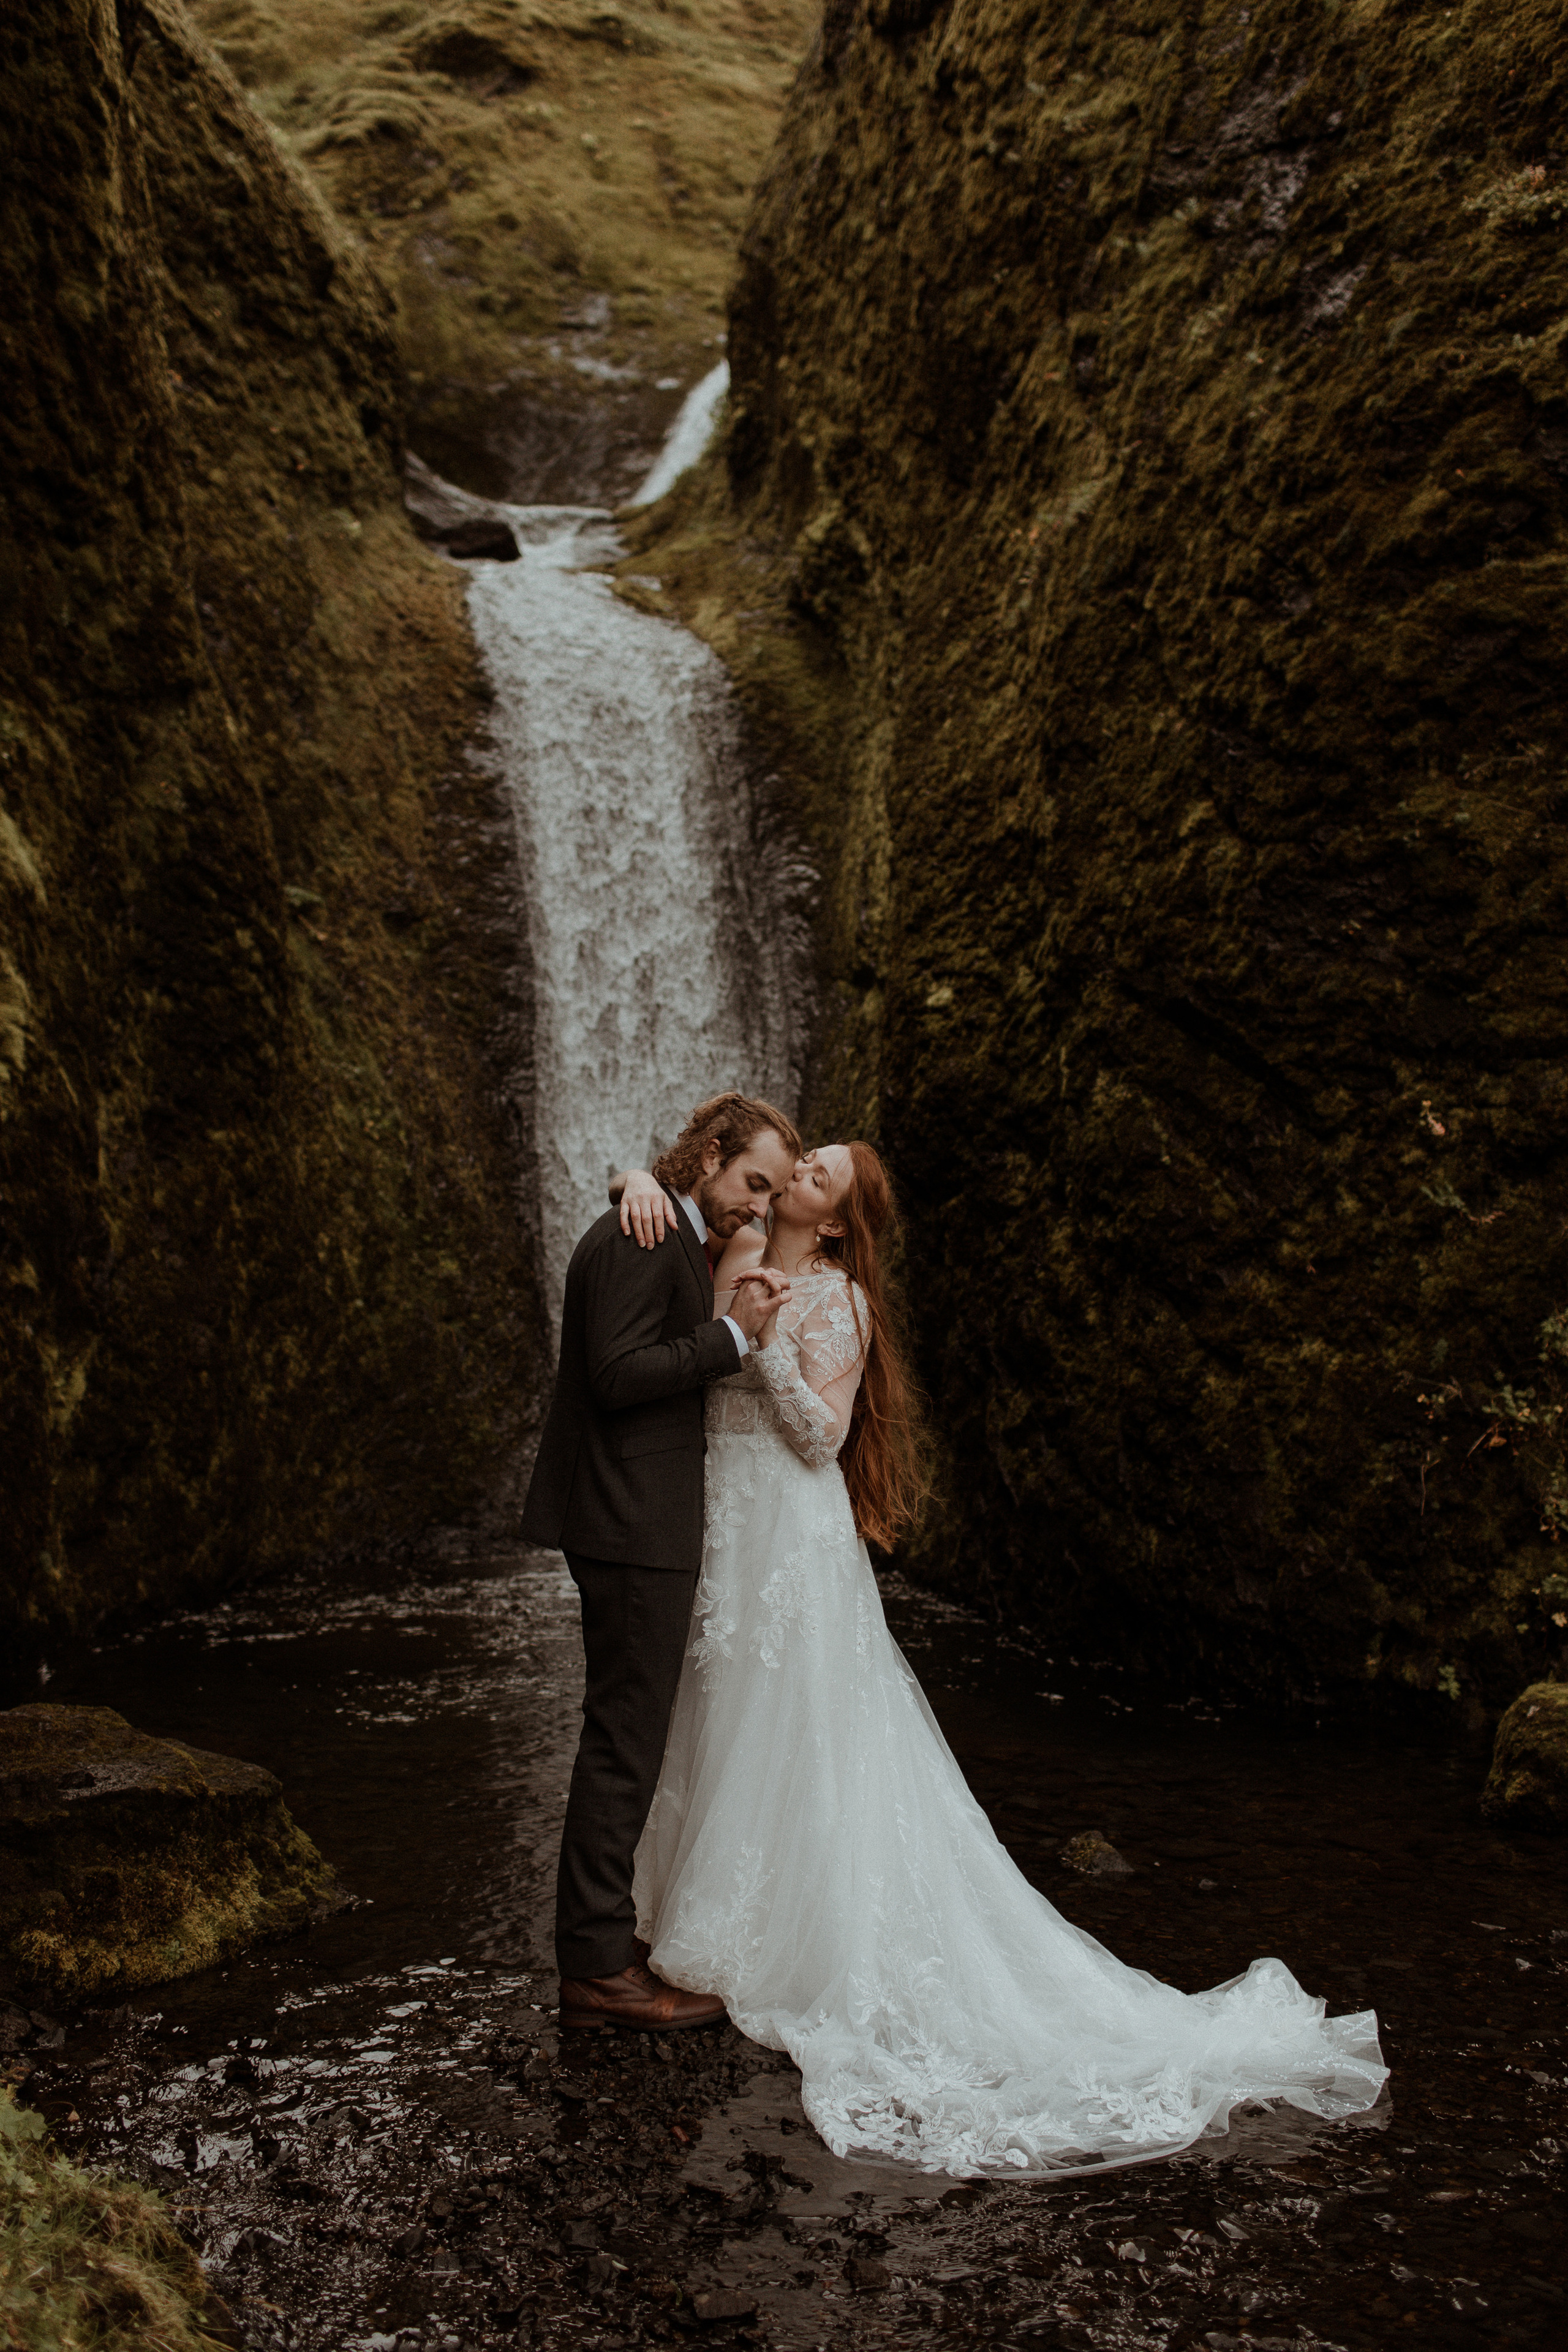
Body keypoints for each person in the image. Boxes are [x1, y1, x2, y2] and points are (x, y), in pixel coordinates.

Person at [608, 1142, 1389, 2176]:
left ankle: (782, 1941)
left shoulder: (841, 1303)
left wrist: (758, 1346)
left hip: (793, 1536)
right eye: (800, 1165)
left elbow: (819, 1440)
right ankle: (677, 1915)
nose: (797, 1175)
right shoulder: (734, 1245)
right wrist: (629, 1180)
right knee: (720, 1703)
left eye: (820, 1177)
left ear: (836, 1222)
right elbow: (665, 1185)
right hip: (725, 1527)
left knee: (790, 1724)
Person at [521, 1091, 801, 2033]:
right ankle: (597, 1968)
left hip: (633, 1518)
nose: (757, 1210)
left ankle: (601, 1942)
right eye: (752, 1185)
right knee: (623, 1742)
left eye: (769, 1198)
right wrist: (729, 1341)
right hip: (631, 1522)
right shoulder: (644, 1235)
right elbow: (616, 1373)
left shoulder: (659, 1219)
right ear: (711, 1153)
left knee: (625, 1737)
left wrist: (634, 1176)